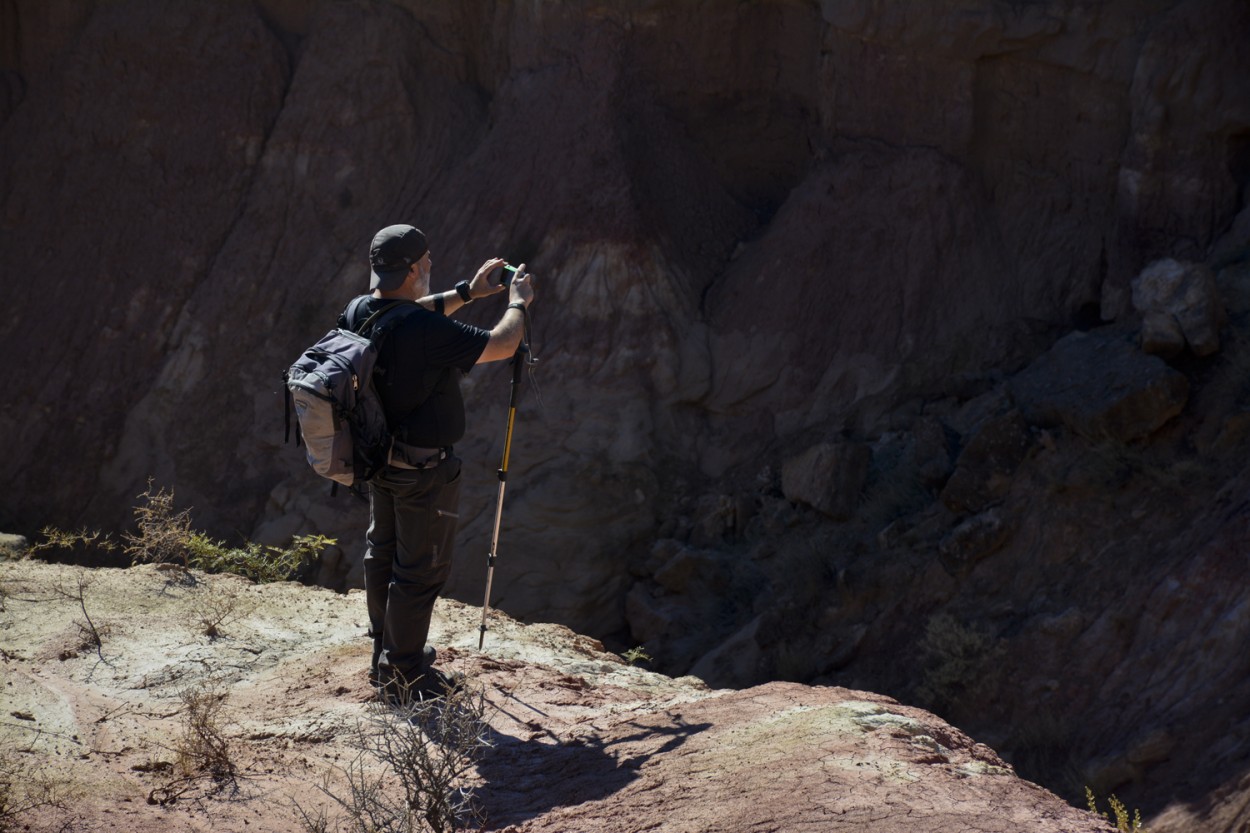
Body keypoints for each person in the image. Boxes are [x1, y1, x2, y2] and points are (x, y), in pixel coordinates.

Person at [346, 223, 535, 702]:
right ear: (412, 269)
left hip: (378, 461)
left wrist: (468, 293)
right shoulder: (426, 331)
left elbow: (406, 315)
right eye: (426, 262)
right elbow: (502, 344)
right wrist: (517, 303)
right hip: (423, 471)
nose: (430, 267)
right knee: (419, 570)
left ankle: (386, 654)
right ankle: (406, 675)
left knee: (382, 554)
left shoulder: (359, 311)